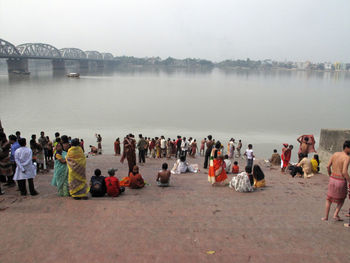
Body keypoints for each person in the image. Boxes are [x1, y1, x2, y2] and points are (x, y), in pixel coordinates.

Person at [322, 141, 350, 222]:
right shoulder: (347, 157)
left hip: (332, 178)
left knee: (329, 199)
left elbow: (328, 166)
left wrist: (330, 174)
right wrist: (349, 181)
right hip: (341, 180)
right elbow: (344, 171)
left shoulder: (335, 154)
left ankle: (326, 217)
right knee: (342, 199)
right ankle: (335, 214)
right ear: (347, 148)